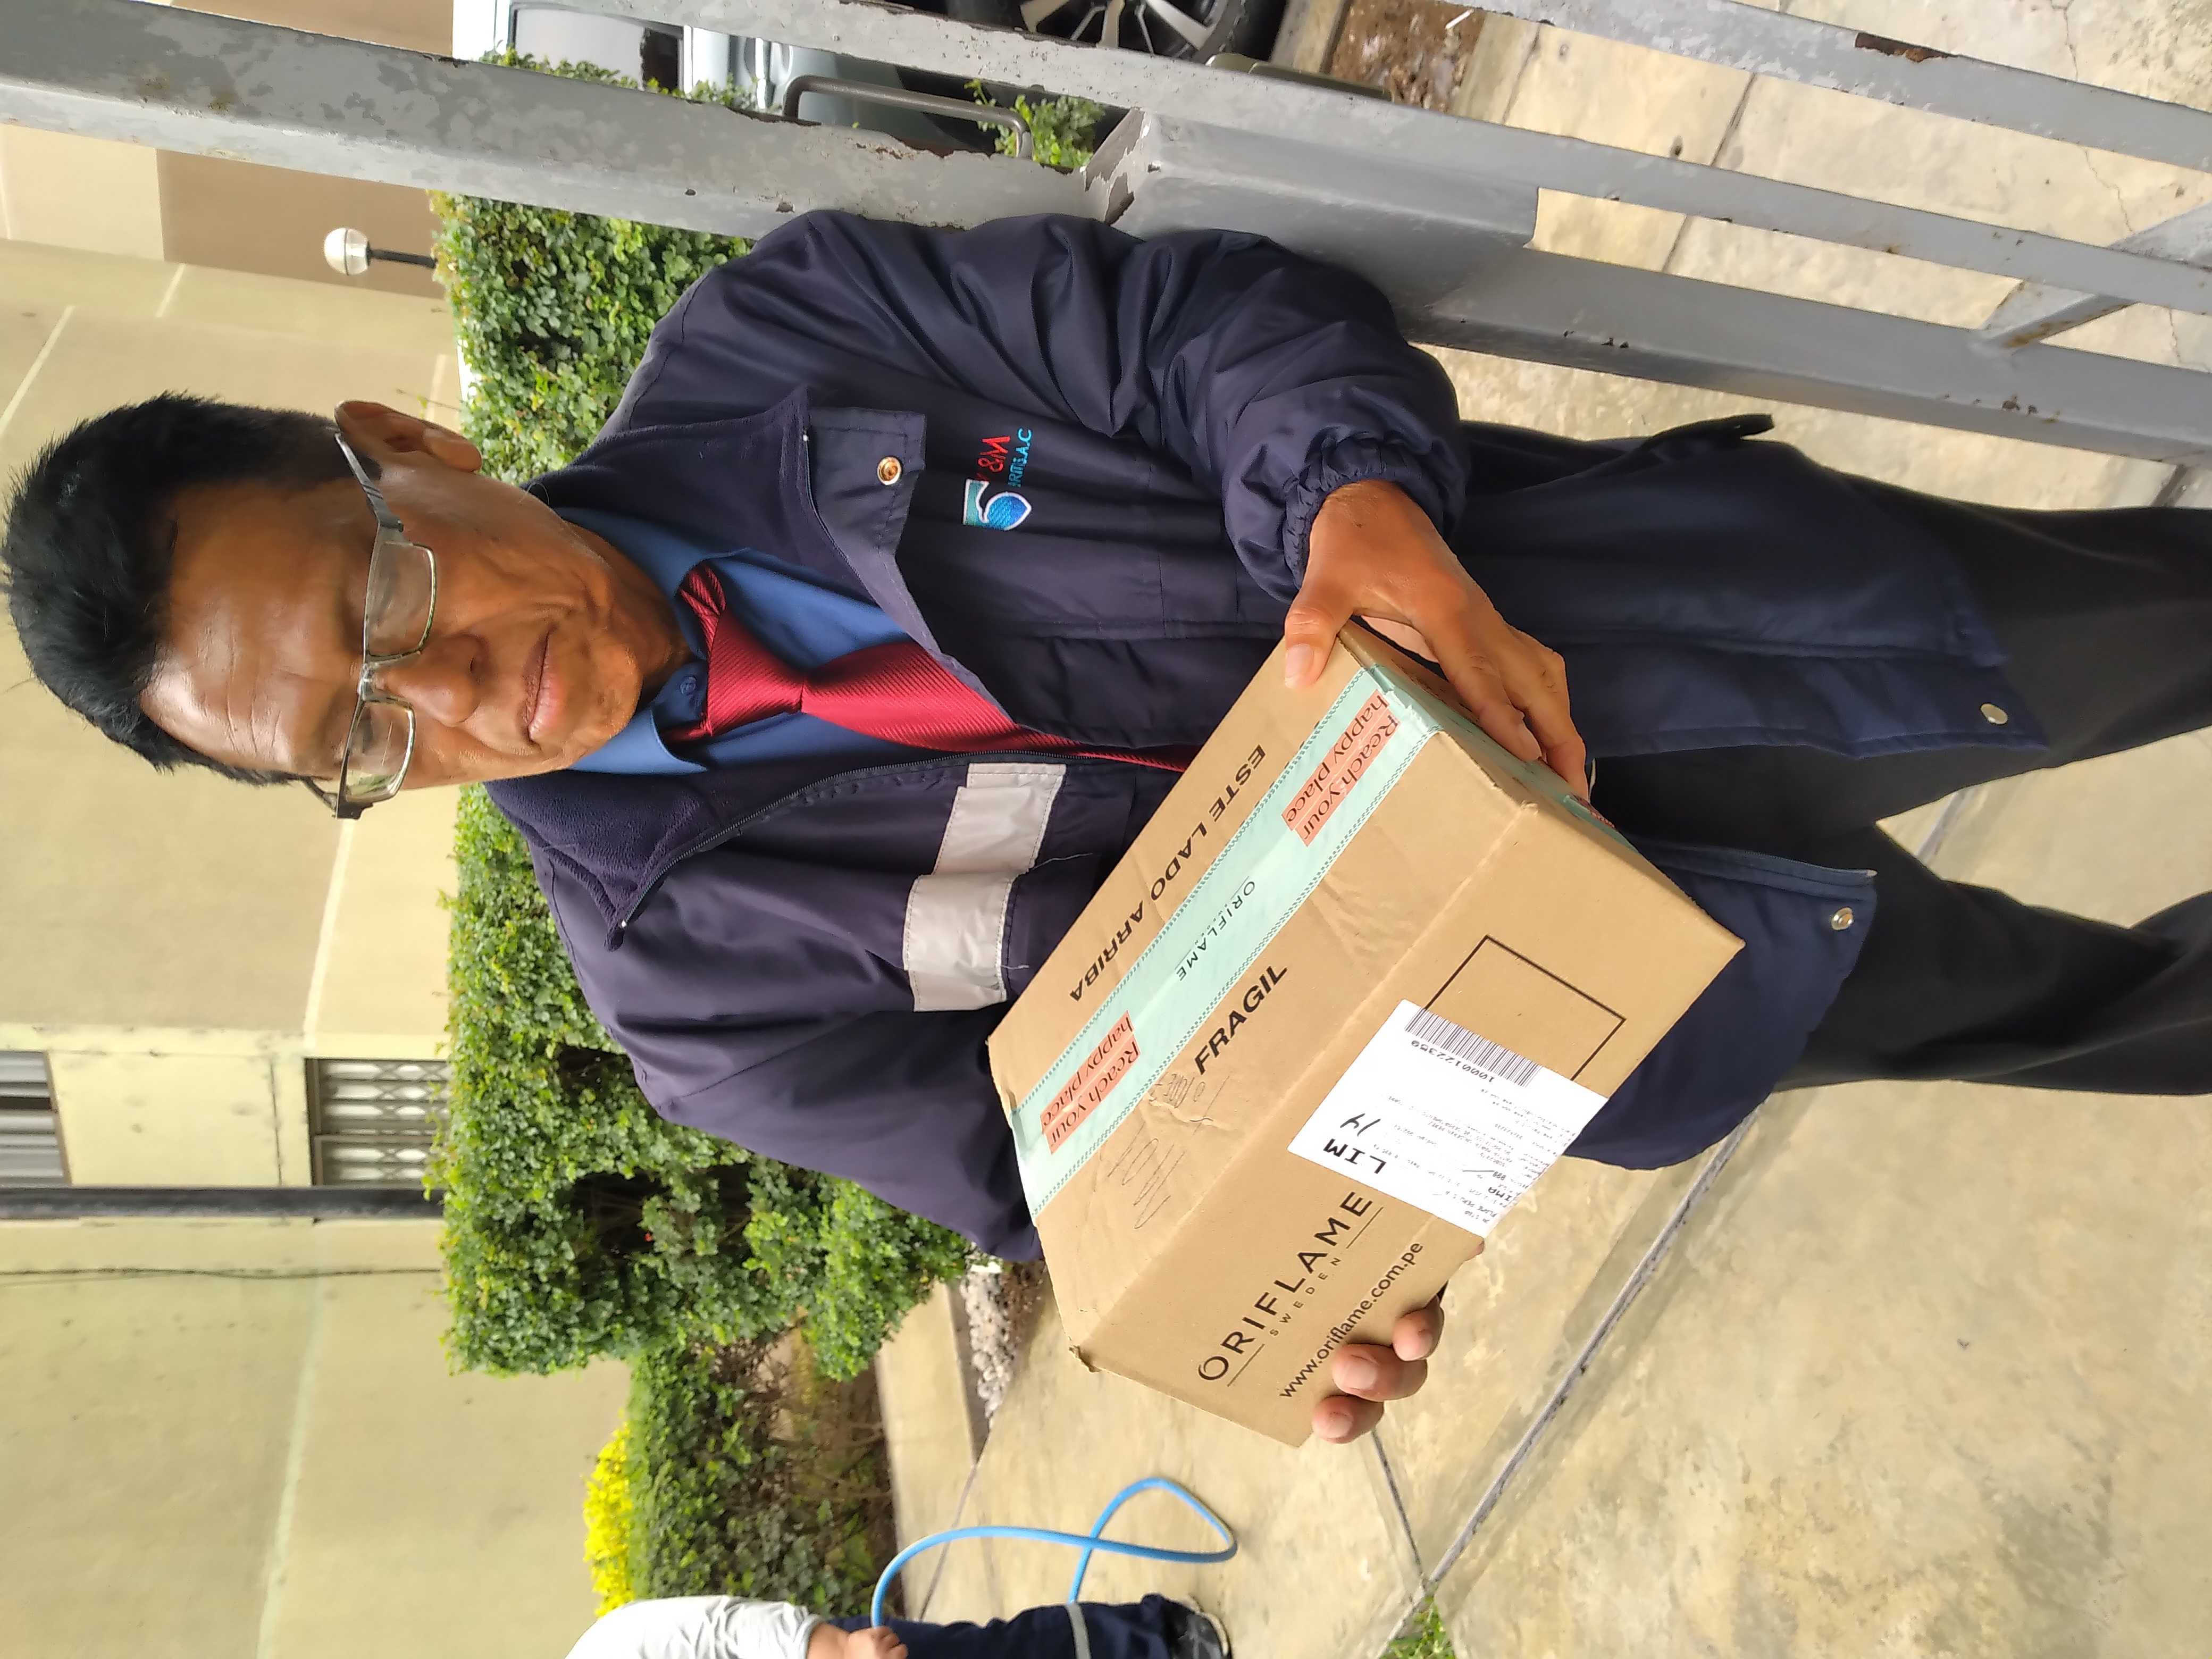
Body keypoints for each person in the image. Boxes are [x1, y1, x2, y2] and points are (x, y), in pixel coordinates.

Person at [7, 213, 2210, 1445]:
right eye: (358, 741)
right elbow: (1066, 1180)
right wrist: (1284, 1290)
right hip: (1609, 997)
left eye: (389, 607)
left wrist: (1354, 509)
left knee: (2163, 628)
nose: (457, 699)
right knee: (2078, 1016)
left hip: (1680, 624)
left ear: (400, 440)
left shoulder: (787, 346)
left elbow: (1203, 333)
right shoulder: (690, 989)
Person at [565, 1593, 1227, 1659]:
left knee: (999, 1656)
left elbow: (724, 1629)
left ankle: (1157, 1640)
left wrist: (839, 1653)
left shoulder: (609, 1650)